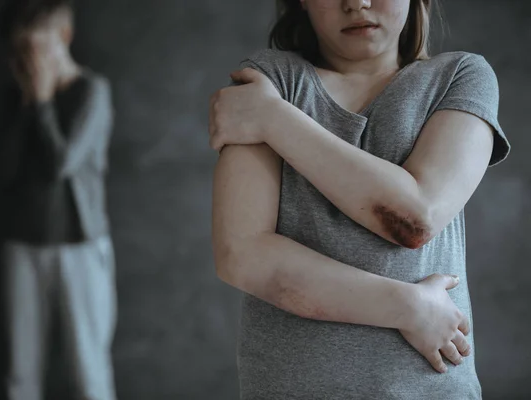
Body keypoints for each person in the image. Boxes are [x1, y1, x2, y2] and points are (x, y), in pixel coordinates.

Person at [209, 0, 511, 398]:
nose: (357, 3)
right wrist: (407, 307)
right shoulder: (269, 80)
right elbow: (241, 254)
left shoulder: (461, 76)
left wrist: (272, 119)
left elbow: (415, 216)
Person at [0, 0, 117, 399]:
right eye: (21, 51)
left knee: (89, 367)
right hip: (22, 243)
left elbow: (59, 165)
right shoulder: (16, 96)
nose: (29, 60)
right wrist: (30, 100)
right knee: (21, 371)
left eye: (35, 48)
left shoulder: (91, 92)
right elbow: (4, 167)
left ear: (63, 37)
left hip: (79, 246)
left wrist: (44, 101)